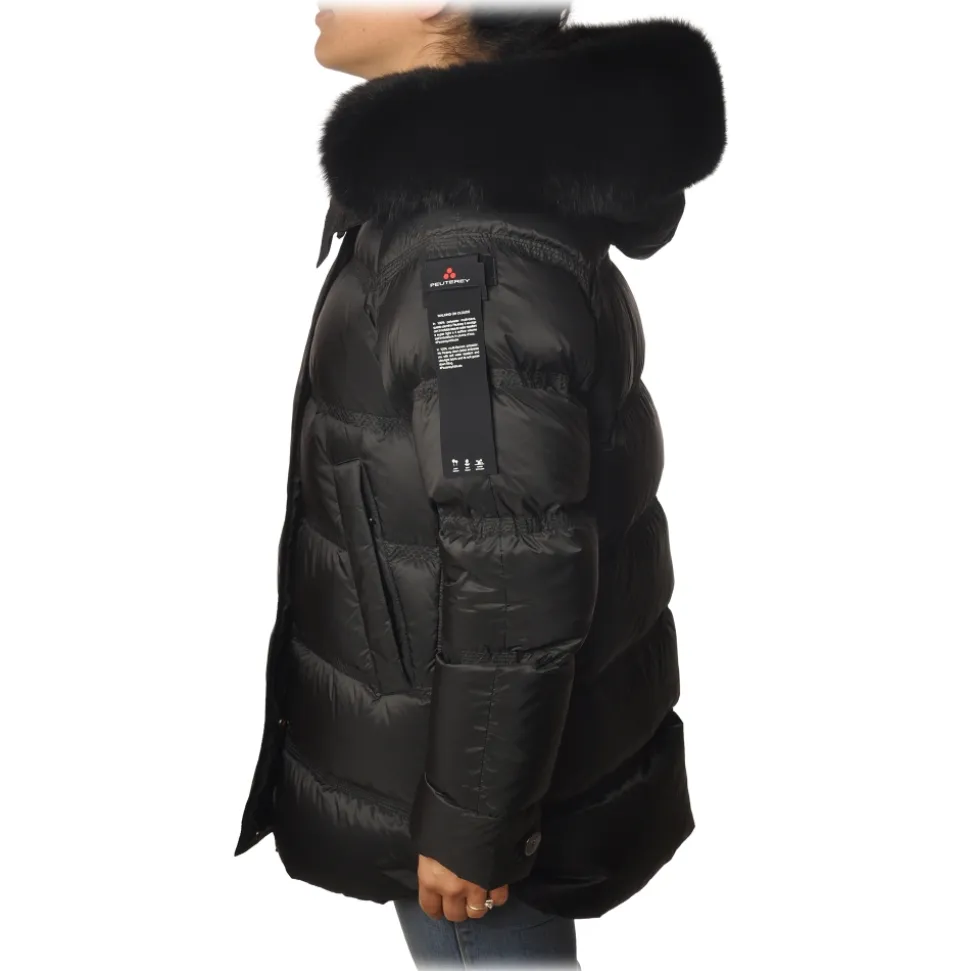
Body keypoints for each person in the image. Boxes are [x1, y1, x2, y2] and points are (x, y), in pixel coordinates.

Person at [234, 4, 726, 967]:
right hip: (460, 747)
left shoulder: (462, 253)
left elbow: (513, 561)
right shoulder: (463, 209)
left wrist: (471, 825)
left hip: (471, 786)